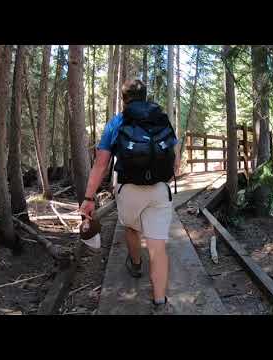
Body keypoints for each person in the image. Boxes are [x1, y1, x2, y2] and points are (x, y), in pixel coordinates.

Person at [79, 79, 180, 315]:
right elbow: (174, 159)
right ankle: (160, 302)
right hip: (159, 190)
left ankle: (135, 265)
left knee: (132, 229)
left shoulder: (117, 122)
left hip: (128, 189)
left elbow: (101, 164)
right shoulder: (161, 119)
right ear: (145, 96)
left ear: (124, 99)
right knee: (157, 248)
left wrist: (89, 197)